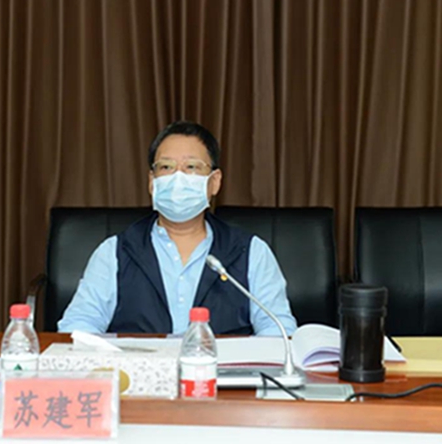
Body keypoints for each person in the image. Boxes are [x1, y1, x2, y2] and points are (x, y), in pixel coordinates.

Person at [58, 121, 297, 336]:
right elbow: (78, 326)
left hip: (221, 370)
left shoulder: (251, 251)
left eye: (192, 166)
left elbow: (277, 330)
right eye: (166, 167)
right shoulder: (115, 252)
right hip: (141, 370)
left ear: (214, 182)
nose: (178, 177)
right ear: (152, 182)